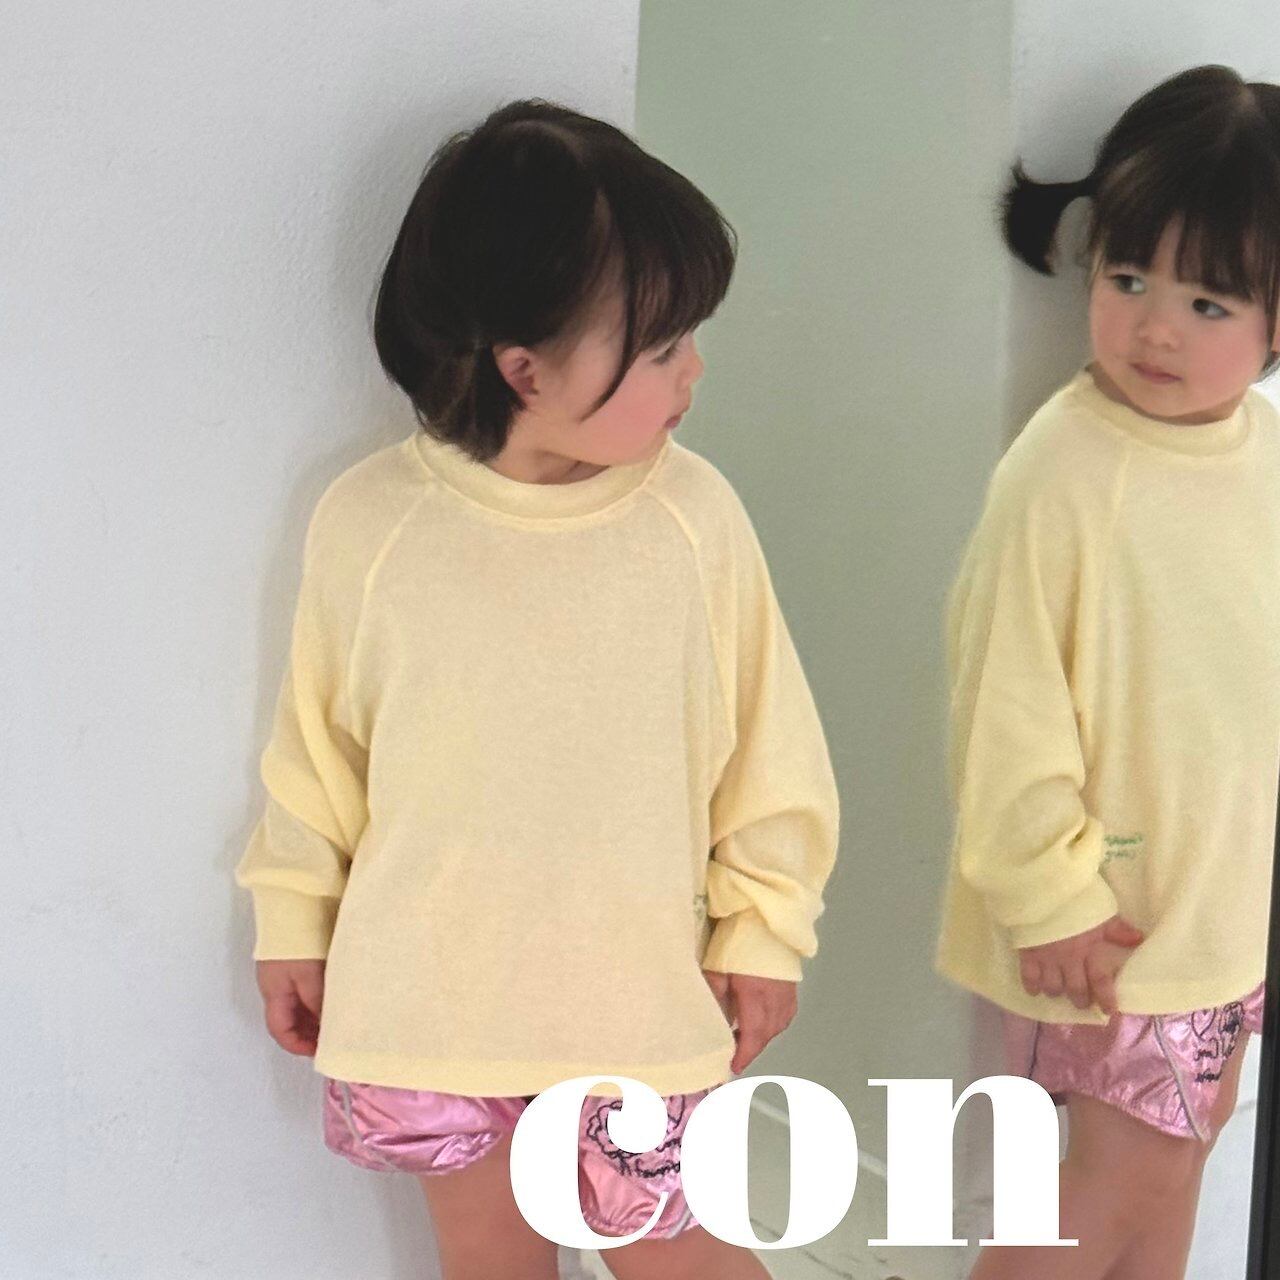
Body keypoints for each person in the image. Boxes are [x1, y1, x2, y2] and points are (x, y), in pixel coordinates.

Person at [234, 99, 839, 1280]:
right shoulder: (372, 523)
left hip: (635, 1004)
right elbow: (316, 755)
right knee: (488, 1262)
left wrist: (763, 930)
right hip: (431, 1007)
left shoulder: (692, 519)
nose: (693, 371)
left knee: (685, 1257)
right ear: (524, 369)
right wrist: (291, 918)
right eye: (660, 348)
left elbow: (770, 749)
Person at [936, 65, 1280, 1279]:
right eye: (1126, 279)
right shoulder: (1063, 471)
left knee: (1178, 1157)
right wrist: (1050, 895)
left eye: (1205, 301)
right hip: (1104, 925)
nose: (1153, 327)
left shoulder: (1257, 453)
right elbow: (1002, 702)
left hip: (1213, 915)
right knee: (1105, 1183)